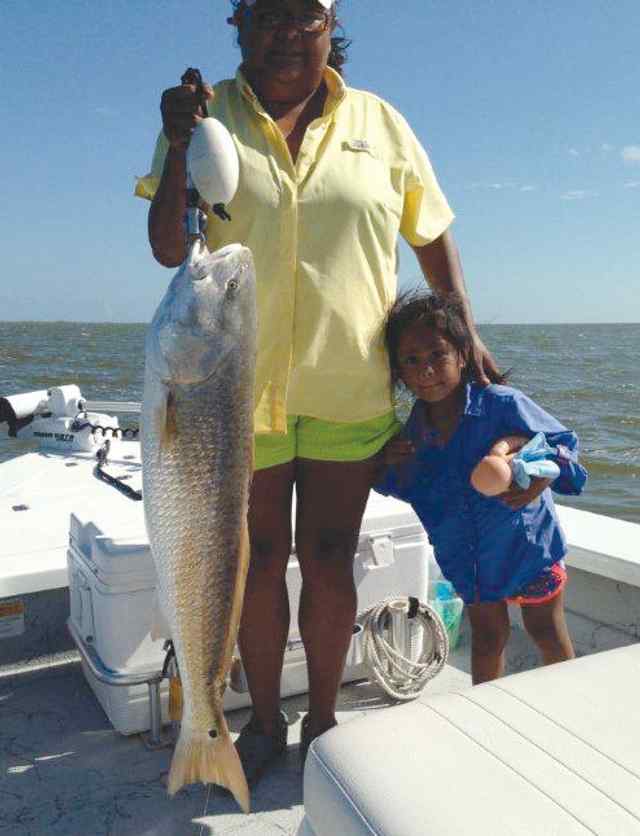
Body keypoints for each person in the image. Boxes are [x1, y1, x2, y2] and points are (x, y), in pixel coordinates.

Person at [136, 0, 499, 783]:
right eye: (266, 14)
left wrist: (465, 331)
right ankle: (261, 725)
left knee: (330, 556)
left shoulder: (381, 123)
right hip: (229, 392)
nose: (286, 31)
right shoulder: (205, 120)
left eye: (305, 14)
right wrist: (174, 147)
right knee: (257, 559)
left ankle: (326, 719)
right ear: (239, 24)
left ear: (331, 25)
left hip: (349, 382)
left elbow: (431, 233)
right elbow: (170, 245)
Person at [376, 291, 587, 685]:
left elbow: (565, 447)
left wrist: (540, 475)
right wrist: (387, 463)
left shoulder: (502, 404)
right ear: (398, 372)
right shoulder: (413, 434)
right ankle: (485, 717)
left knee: (545, 629)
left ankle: (569, 703)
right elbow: (412, 488)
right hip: (470, 562)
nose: (426, 370)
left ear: (462, 354)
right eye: (411, 360)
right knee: (488, 638)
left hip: (528, 550)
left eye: (437, 355)